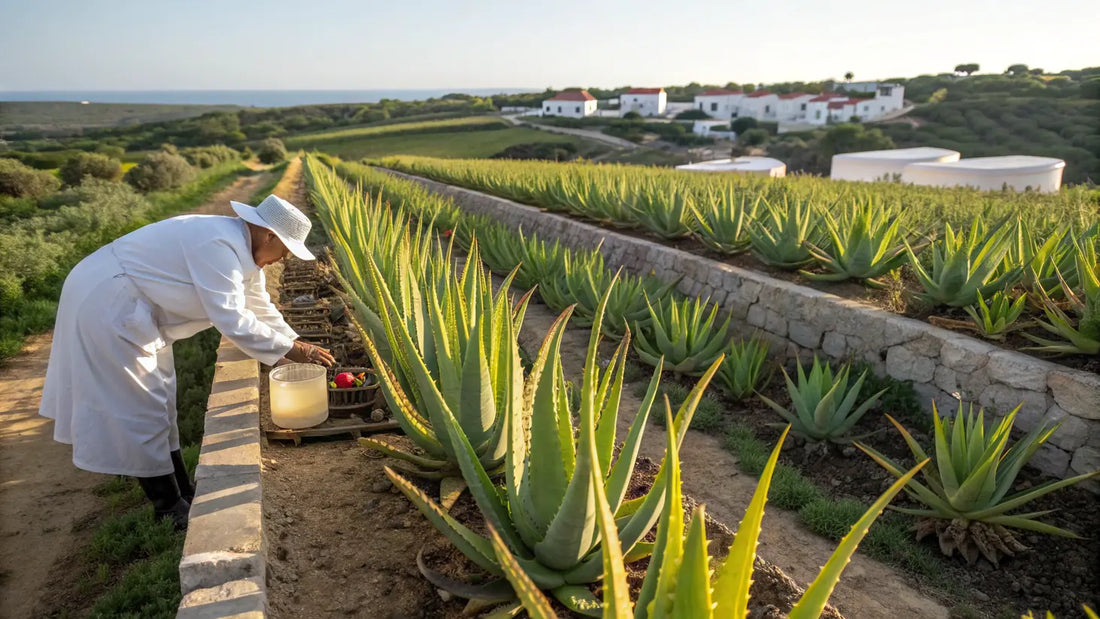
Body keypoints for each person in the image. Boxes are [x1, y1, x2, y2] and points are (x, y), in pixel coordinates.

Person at [39, 194, 335, 530]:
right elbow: (231, 318)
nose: (280, 259)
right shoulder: (218, 246)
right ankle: (168, 507)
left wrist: (294, 345)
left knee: (162, 400)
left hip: (134, 305)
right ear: (269, 235)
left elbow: (258, 306)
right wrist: (293, 350)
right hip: (109, 301)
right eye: (284, 251)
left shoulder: (242, 250)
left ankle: (183, 490)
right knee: (141, 405)